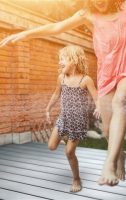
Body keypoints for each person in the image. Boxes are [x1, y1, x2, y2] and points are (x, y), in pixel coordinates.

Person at [0, 0, 126, 186]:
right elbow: (57, 27)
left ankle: (109, 164)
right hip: (106, 77)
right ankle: (121, 155)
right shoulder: (87, 14)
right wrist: (26, 33)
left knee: (120, 101)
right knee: (106, 131)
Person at [45, 45, 100, 192]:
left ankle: (76, 179)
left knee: (69, 152)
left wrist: (99, 107)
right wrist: (48, 108)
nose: (59, 62)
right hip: (64, 118)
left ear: (74, 60)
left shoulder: (85, 79)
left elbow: (96, 97)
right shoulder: (61, 78)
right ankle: (64, 139)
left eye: (63, 59)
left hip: (78, 122)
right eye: (59, 59)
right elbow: (56, 94)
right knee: (51, 146)